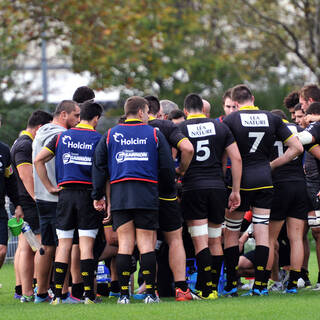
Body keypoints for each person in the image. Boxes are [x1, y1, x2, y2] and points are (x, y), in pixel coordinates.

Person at [92, 96, 176, 304]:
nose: (149, 116)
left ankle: (123, 295)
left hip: (120, 195)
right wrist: (166, 190)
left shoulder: (111, 134)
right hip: (146, 192)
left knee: (125, 245)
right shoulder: (154, 134)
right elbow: (166, 166)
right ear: (140, 112)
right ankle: (149, 294)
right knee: (147, 243)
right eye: (147, 112)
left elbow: (99, 166)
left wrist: (98, 195)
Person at [222, 84, 303, 297]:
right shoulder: (272, 118)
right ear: (253, 98)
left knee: (231, 234)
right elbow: (297, 147)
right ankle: (260, 286)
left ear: (236, 103)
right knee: (262, 235)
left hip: (240, 181)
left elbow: (224, 151)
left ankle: (231, 285)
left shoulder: (231, 119)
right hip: (265, 181)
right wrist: (273, 165)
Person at [34, 101, 103, 304]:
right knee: (86, 246)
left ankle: (56, 295)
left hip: (64, 195)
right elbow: (102, 173)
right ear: (96, 119)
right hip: (87, 195)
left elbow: (38, 160)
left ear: (80, 116)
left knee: (63, 245)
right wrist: (102, 197)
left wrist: (49, 186)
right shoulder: (98, 139)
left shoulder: (61, 136)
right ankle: (89, 295)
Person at [178, 93, 242, 299]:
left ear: (186, 111)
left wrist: (179, 173)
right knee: (215, 240)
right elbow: (236, 158)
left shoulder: (180, 128)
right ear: (204, 110)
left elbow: (174, 159)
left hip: (193, 188)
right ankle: (214, 289)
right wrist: (235, 190)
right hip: (217, 187)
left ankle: (206, 290)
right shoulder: (220, 127)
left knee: (200, 242)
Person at [145, 95, 195, 301]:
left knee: (146, 240)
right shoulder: (167, 126)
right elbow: (188, 148)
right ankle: (182, 289)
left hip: (143, 191)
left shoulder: (125, 128)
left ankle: (150, 289)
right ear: (159, 113)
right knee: (175, 239)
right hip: (167, 190)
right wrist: (180, 170)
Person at [32, 100, 80, 303]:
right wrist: (52, 186)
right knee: (64, 245)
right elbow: (38, 161)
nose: (79, 121)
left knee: (48, 245)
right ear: (63, 114)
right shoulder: (60, 136)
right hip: (55, 196)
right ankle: (64, 292)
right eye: (76, 116)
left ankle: (41, 293)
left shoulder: (40, 133)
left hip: (42, 197)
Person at [265, 109, 312, 294]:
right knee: (296, 238)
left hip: (278, 185)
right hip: (300, 185)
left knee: (269, 238)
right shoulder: (298, 129)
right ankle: (293, 282)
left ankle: (265, 283)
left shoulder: (270, 129)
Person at [11, 110, 53, 302]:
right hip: (29, 202)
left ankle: (24, 291)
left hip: (22, 202)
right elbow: (25, 174)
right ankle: (32, 290)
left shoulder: (20, 142)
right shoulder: (25, 144)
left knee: (25, 247)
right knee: (38, 245)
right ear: (39, 128)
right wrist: (38, 198)